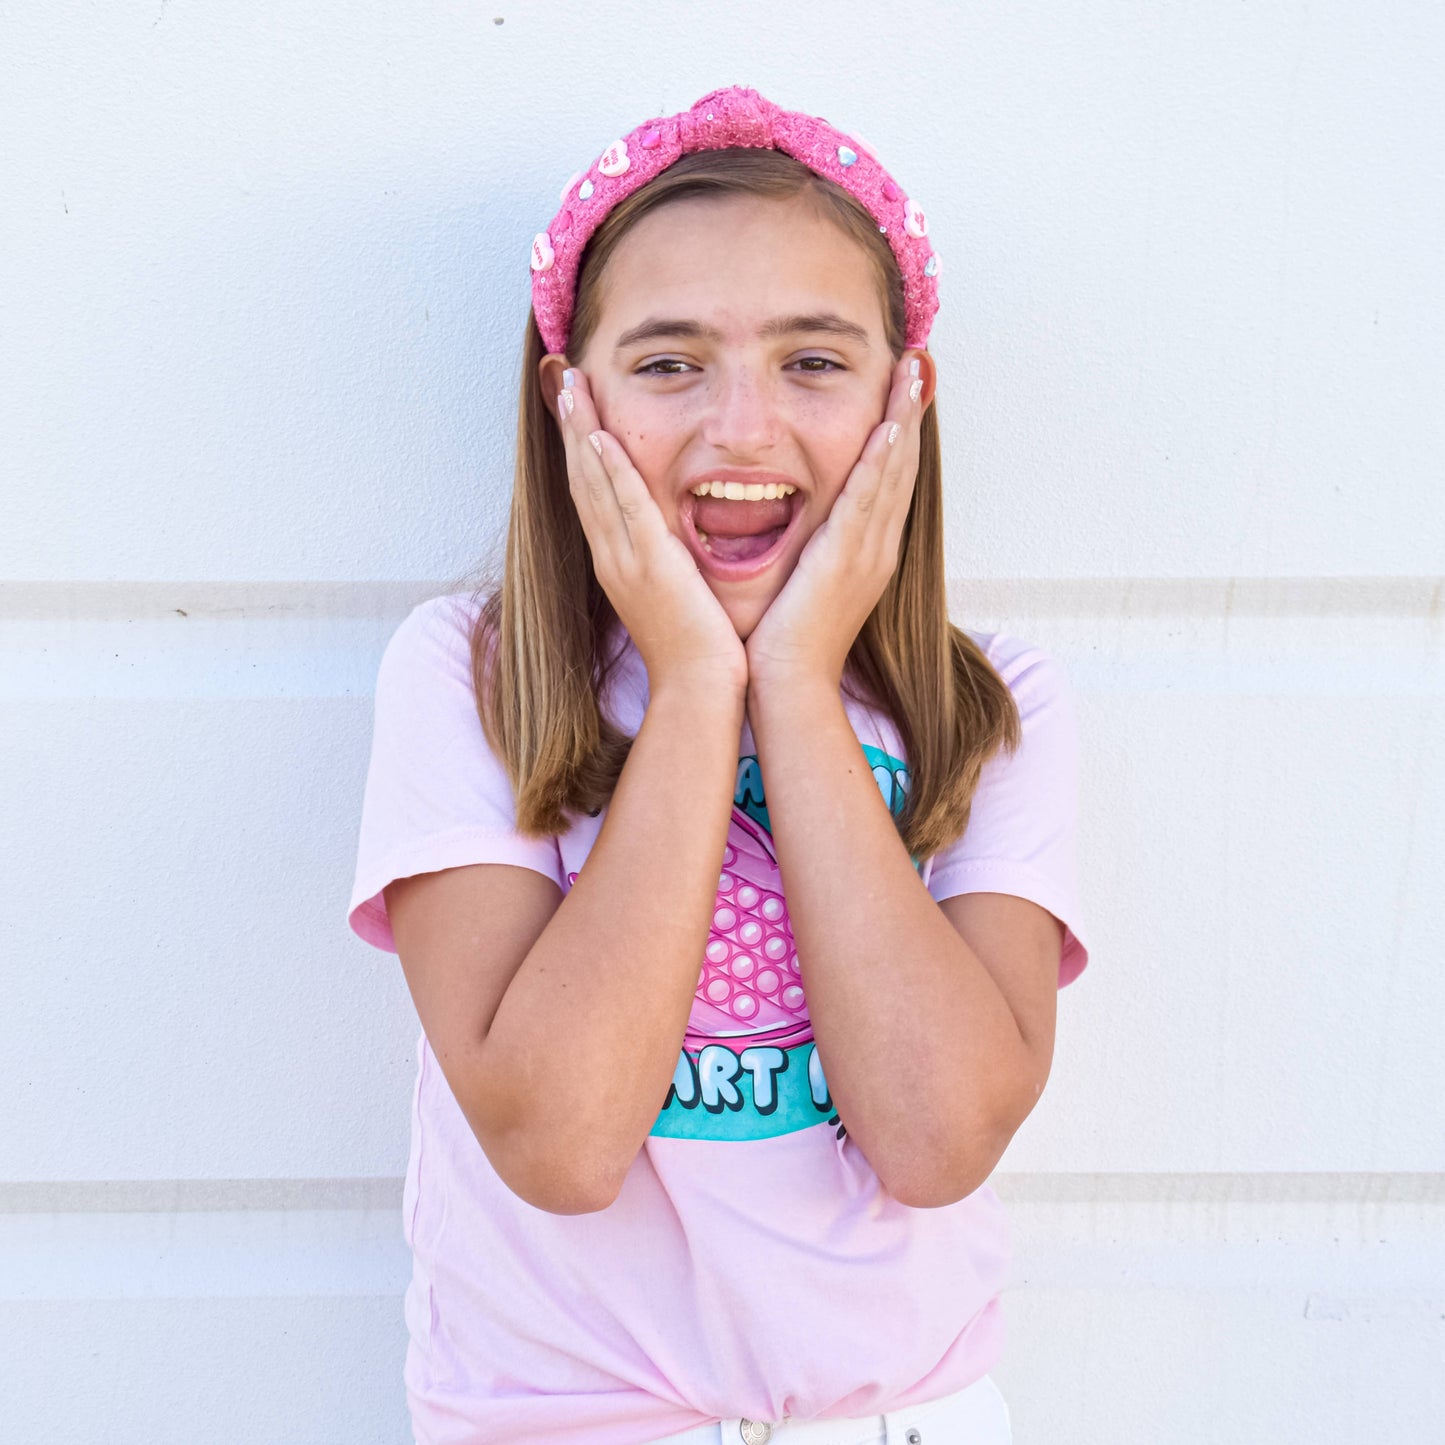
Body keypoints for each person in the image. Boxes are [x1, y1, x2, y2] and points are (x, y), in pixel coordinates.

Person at [348, 85, 1089, 1445]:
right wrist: (694, 684)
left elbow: (934, 1137)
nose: (740, 431)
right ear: (568, 401)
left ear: (901, 396)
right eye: (668, 362)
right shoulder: (466, 675)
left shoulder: (987, 703)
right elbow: (562, 1144)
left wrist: (800, 684)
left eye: (812, 362)